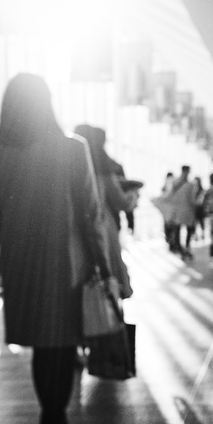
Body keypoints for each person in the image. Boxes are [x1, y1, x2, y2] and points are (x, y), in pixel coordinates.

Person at [0, 73, 110, 424]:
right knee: (63, 349)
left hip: (21, 267)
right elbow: (91, 214)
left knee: (43, 350)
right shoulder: (73, 149)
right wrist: (105, 265)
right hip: (66, 264)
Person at [73, 125, 135, 299]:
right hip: (103, 228)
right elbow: (121, 201)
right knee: (109, 286)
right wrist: (133, 194)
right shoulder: (104, 170)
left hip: (72, 231)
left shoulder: (62, 167)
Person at [169, 165, 199, 261]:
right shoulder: (190, 185)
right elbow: (192, 200)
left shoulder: (175, 183)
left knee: (178, 230)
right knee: (188, 230)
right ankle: (185, 248)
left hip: (178, 211)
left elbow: (171, 197)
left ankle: (182, 249)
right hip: (188, 211)